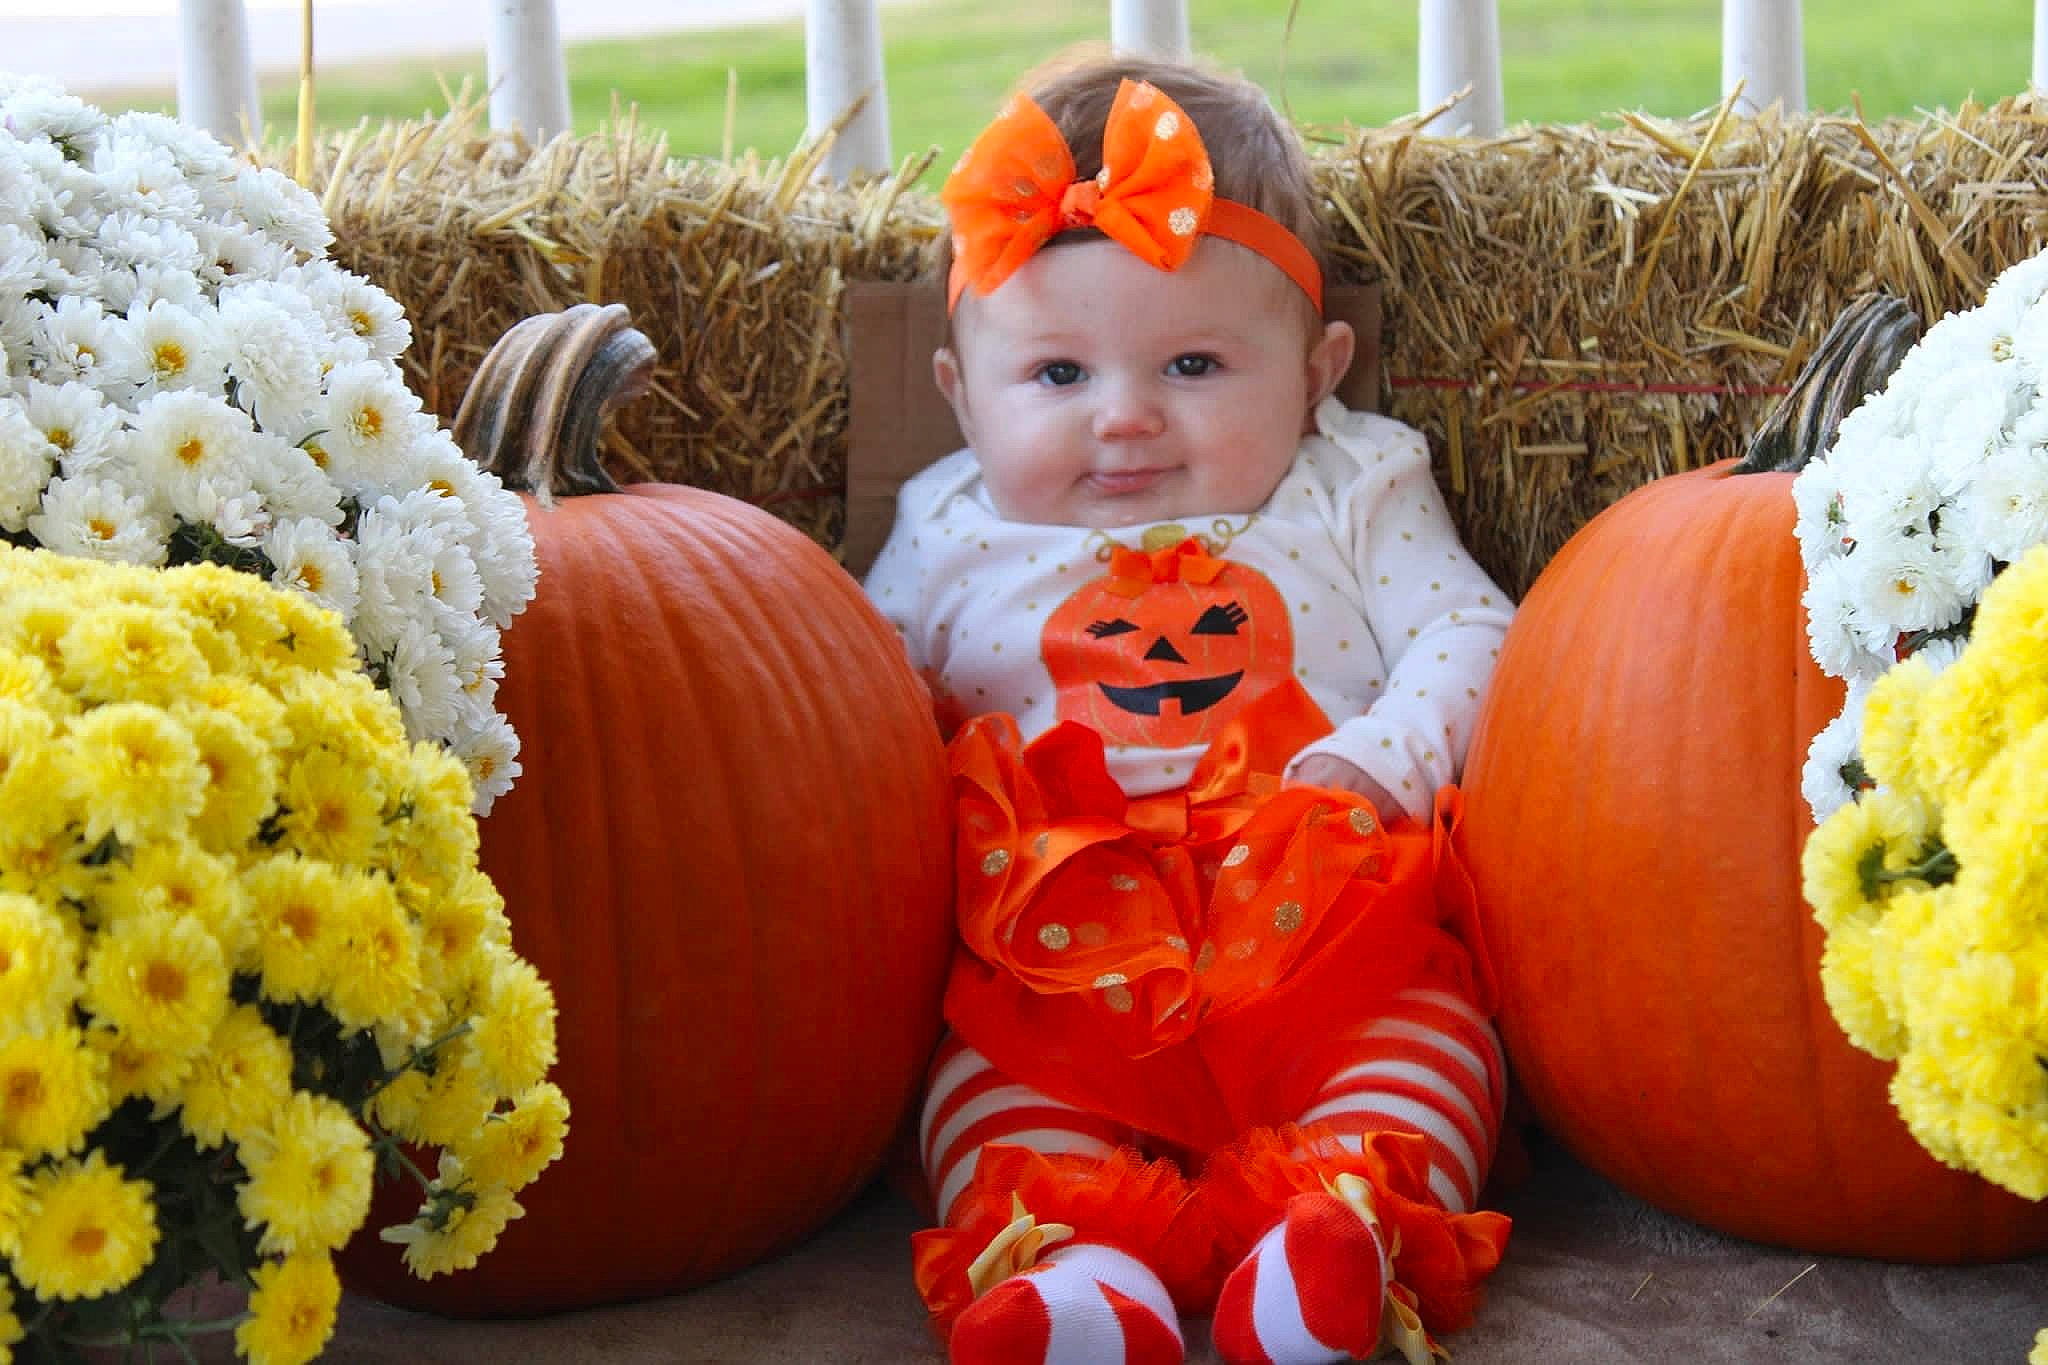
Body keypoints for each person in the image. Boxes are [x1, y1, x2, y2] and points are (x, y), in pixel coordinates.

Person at [864, 49, 1514, 1365]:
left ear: (1321, 368)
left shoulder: (1352, 480)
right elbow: (844, 694)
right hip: (1053, 954)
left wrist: (1375, 757)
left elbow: (1471, 628)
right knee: (983, 1095)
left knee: (1438, 1043)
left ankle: (1331, 1250)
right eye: (1057, 376)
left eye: (1197, 364)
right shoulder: (942, 525)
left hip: (1319, 912)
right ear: (960, 393)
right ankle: (1079, 1282)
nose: (1126, 421)